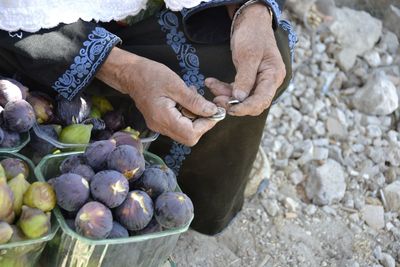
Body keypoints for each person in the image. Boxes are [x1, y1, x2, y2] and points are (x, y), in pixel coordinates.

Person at [0, 0, 296, 235]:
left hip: (138, 16)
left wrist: (250, 11)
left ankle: (178, 197)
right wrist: (125, 71)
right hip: (36, 36)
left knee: (261, 54)